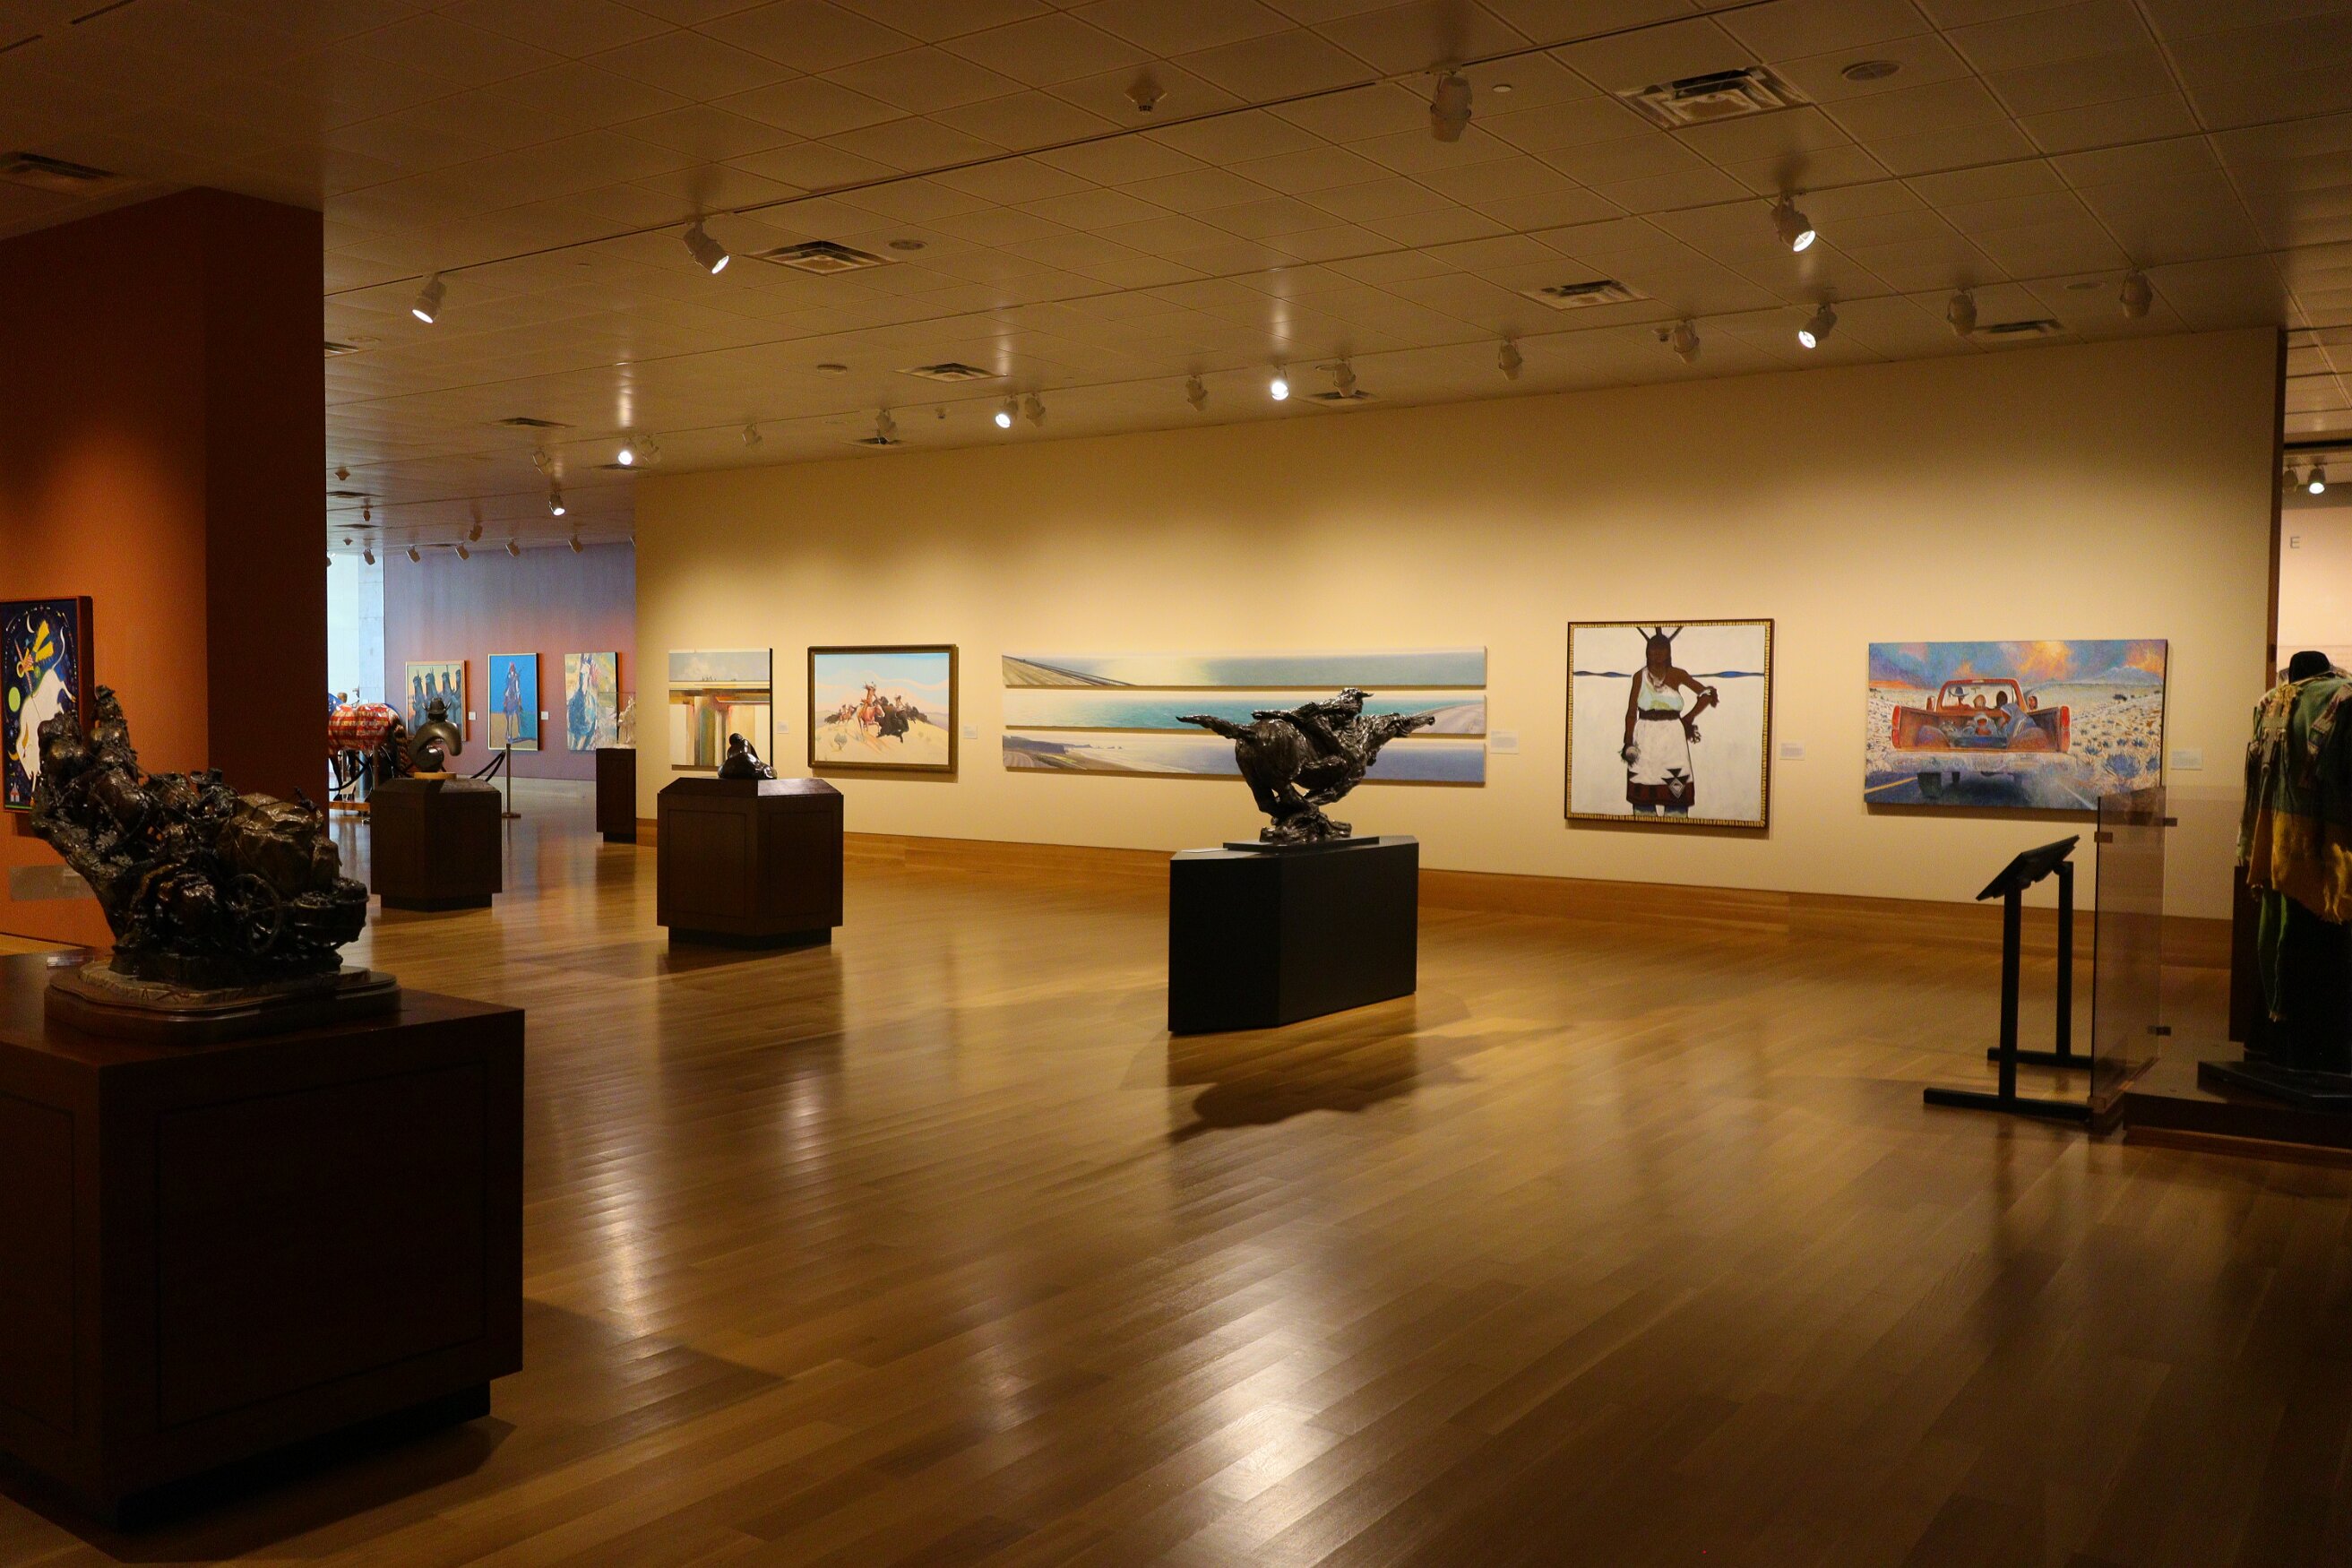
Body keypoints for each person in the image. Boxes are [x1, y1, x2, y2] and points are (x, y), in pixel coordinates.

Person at [1620, 627, 1718, 816]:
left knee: (1677, 799)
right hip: (1645, 739)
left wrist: (1688, 718)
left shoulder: (1677, 674)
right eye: (1653, 649)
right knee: (1643, 801)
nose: (1657, 653)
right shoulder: (1639, 677)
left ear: (1668, 652)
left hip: (1673, 739)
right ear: (1647, 652)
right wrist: (1629, 742)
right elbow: (1631, 713)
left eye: (1662, 649)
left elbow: (1707, 694)